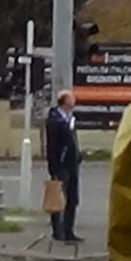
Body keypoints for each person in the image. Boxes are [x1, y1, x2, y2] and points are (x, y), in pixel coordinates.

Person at [45, 90, 82, 243]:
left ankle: (69, 230)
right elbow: (53, 146)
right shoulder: (55, 120)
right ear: (64, 101)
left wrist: (78, 155)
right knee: (57, 198)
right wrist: (54, 168)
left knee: (72, 199)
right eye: (71, 98)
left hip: (72, 164)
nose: (74, 99)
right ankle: (57, 231)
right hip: (61, 165)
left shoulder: (70, 119)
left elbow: (72, 141)